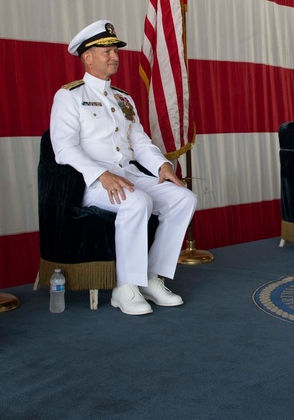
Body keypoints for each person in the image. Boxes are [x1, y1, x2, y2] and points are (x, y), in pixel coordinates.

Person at [49, 20, 196, 316]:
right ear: (87, 57)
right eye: (106, 51)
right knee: (137, 202)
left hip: (128, 176)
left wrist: (163, 166)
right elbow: (63, 148)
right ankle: (125, 287)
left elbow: (140, 142)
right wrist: (101, 175)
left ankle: (151, 278)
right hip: (92, 182)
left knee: (184, 197)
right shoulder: (69, 96)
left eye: (115, 50)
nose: (114, 55)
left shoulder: (123, 99)